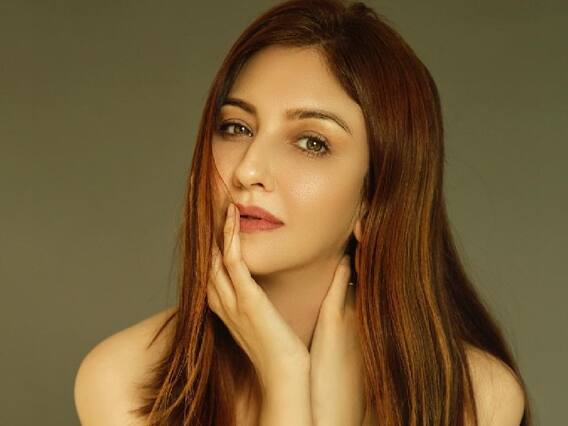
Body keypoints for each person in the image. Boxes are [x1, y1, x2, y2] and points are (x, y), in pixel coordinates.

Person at [73, 0, 532, 424]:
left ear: (374, 198)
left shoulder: (475, 397)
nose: (249, 170)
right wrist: (285, 376)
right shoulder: (126, 379)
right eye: (236, 127)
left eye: (312, 142)